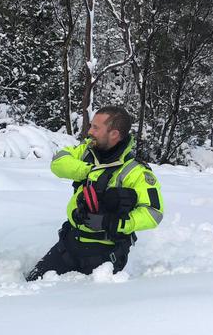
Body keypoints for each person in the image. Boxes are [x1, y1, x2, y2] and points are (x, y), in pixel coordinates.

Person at [26, 106, 163, 281]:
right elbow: (58, 162)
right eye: (91, 126)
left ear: (113, 134)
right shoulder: (86, 151)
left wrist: (116, 223)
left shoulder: (136, 172)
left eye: (95, 128)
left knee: (80, 305)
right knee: (32, 283)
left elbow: (154, 213)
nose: (89, 132)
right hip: (70, 243)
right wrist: (87, 171)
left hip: (105, 255)